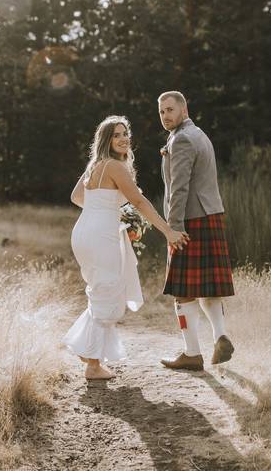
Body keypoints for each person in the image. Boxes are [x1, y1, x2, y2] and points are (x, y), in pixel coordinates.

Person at [63, 115, 189, 380]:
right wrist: (167, 231)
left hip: (84, 232)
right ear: (106, 140)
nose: (123, 139)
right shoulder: (115, 167)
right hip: (100, 235)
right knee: (108, 291)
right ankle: (93, 365)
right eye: (116, 135)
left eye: (125, 134)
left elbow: (76, 197)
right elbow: (140, 202)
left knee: (100, 289)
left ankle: (87, 351)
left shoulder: (95, 165)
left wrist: (105, 210)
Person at [157, 91, 236, 372]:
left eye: (169, 110)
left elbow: (179, 188)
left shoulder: (182, 140)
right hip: (210, 215)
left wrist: (173, 228)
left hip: (190, 220)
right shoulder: (199, 134)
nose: (165, 116)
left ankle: (192, 354)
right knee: (208, 287)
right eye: (161, 112)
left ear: (184, 109)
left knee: (183, 290)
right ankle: (220, 336)